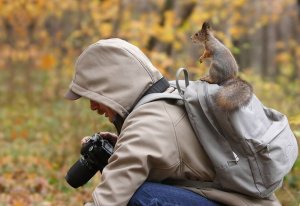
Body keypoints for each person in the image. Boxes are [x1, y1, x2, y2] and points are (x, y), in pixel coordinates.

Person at [64, 38, 281, 206]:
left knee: (139, 197)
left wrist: (126, 147)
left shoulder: (147, 125)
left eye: (94, 96)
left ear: (111, 87)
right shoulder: (171, 94)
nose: (93, 106)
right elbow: (173, 151)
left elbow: (108, 200)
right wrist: (121, 144)